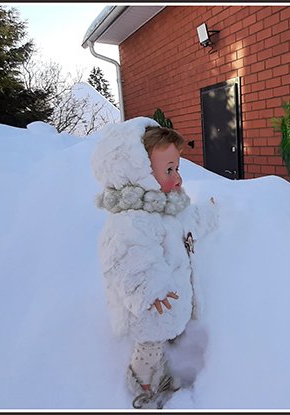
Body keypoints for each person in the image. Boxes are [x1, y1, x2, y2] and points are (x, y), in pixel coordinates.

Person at [90, 117, 218, 408]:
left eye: (178, 168)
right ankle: (143, 386)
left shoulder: (168, 206)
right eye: (169, 170)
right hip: (149, 307)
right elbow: (127, 259)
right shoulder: (131, 221)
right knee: (148, 348)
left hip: (169, 302)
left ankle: (160, 368)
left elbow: (191, 224)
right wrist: (151, 288)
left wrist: (209, 214)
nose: (178, 178)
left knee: (160, 341)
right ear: (138, 173)